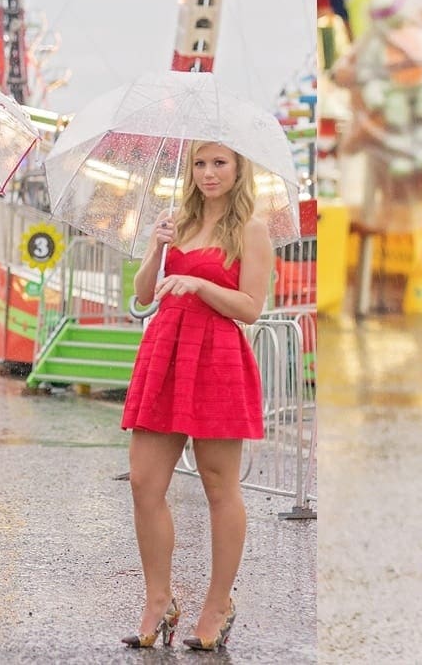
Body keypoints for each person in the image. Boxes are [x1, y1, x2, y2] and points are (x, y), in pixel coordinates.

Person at [119, 142, 270, 651]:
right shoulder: (175, 221)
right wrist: (158, 249)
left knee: (219, 487)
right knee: (144, 482)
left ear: (238, 167)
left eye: (219, 163)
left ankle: (217, 603)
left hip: (217, 357)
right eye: (200, 164)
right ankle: (158, 601)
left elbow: (250, 307)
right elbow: (144, 293)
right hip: (166, 349)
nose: (208, 173)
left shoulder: (251, 228)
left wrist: (198, 284)